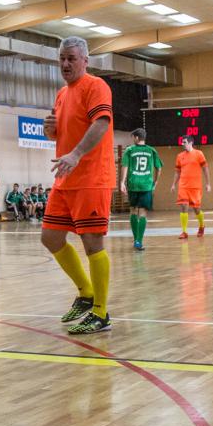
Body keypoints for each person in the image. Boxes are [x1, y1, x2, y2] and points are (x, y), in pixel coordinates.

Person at [42, 36, 114, 335]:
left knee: (92, 243)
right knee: (50, 237)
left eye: (71, 58)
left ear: (85, 60)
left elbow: (101, 123)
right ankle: (86, 293)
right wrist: (50, 132)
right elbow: (63, 132)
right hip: (65, 178)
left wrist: (76, 154)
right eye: (62, 58)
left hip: (91, 178)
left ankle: (101, 312)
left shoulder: (96, 86)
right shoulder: (62, 93)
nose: (65, 64)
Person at [120, 127, 162, 250]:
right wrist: (155, 181)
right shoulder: (151, 150)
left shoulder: (130, 150)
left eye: (133, 137)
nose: (133, 139)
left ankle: (136, 240)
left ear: (137, 137)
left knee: (133, 211)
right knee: (142, 213)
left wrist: (122, 182)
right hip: (146, 186)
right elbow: (159, 168)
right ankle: (139, 241)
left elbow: (125, 166)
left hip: (133, 184)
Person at [172, 135, 210, 239]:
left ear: (190, 142)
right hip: (183, 186)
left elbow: (205, 169)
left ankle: (202, 225)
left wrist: (208, 183)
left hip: (195, 187)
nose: (182, 144)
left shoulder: (199, 154)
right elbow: (177, 172)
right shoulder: (179, 156)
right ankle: (184, 232)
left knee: (196, 209)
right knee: (184, 206)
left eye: (184, 142)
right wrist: (174, 184)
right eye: (182, 142)